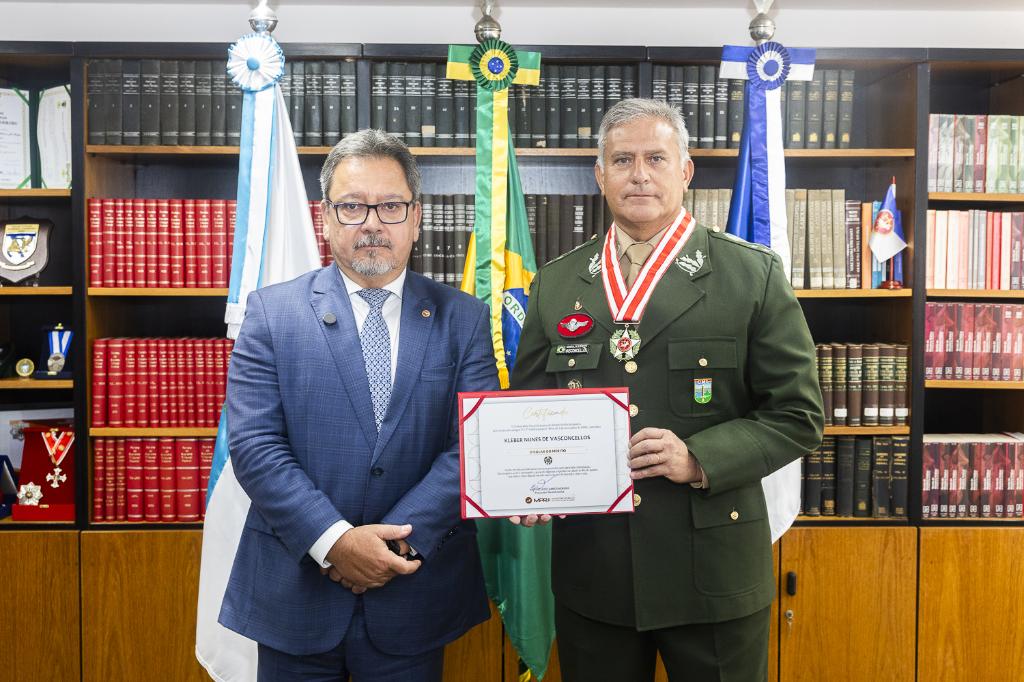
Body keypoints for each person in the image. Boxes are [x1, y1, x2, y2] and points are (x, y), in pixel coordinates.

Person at [510, 98, 824, 681]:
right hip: (595, 573)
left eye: (656, 158)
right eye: (622, 160)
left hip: (713, 575)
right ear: (599, 174)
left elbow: (798, 414)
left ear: (685, 170)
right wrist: (530, 484)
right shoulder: (555, 284)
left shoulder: (750, 275)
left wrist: (699, 457)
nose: (639, 175)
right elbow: (532, 411)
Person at [219, 129, 498, 681]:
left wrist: (391, 547)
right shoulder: (272, 313)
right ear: (326, 218)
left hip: (414, 596)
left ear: (416, 218)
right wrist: (336, 542)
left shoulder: (463, 318)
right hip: (295, 594)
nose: (372, 223)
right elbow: (254, 445)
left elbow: (473, 445)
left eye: (391, 206)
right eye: (352, 206)